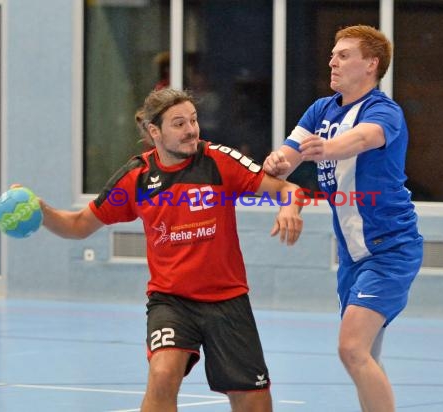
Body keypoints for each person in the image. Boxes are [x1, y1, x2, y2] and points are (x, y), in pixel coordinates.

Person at [38, 88, 303, 412]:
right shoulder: (136, 178)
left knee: (254, 403)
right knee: (162, 375)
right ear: (154, 131)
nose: (191, 129)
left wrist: (289, 207)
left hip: (227, 299)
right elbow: (78, 225)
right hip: (172, 301)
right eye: (179, 123)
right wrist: (42, 213)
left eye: (193, 120)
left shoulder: (219, 161)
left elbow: (288, 188)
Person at [263, 25, 423, 412]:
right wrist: (277, 165)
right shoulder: (321, 109)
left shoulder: (384, 110)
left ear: (371, 64)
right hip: (353, 254)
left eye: (344, 55)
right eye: (333, 54)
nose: (333, 61)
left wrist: (326, 147)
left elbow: (364, 139)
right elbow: (287, 157)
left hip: (390, 250)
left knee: (351, 349)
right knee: (365, 356)